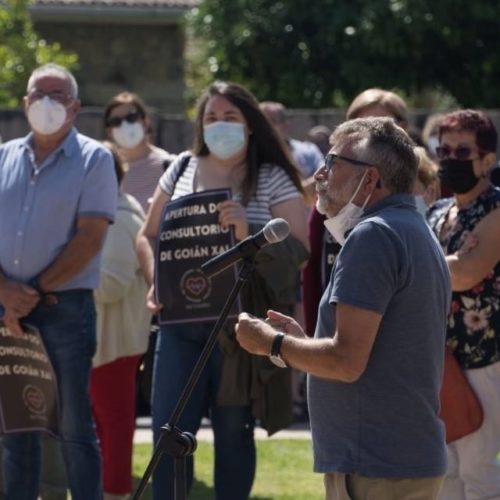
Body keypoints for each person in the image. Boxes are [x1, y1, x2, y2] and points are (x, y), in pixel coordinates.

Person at [235, 116, 452, 500]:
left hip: (374, 464)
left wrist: (271, 343)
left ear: (370, 180)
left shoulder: (374, 235)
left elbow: (347, 361)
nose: (319, 172)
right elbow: (369, 350)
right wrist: (303, 344)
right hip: (395, 460)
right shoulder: (411, 227)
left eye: (333, 163)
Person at [136, 80, 309, 500]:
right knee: (169, 432)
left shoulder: (270, 176)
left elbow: (300, 247)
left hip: (238, 329)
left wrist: (248, 232)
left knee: (233, 432)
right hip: (178, 324)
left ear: (250, 125)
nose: (220, 125)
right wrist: (154, 279)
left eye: (230, 117)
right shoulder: (179, 168)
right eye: (211, 118)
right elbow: (147, 235)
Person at [0, 63, 117, 499]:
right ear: (25, 102)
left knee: (73, 429)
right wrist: (5, 294)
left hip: (63, 311)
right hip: (6, 312)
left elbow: (89, 239)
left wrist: (27, 294)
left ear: (75, 107)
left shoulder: (95, 159)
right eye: (38, 93)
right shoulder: (3, 156)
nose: (46, 102)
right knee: (15, 430)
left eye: (57, 94)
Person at [426, 109, 500, 500]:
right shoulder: (439, 212)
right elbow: (439, 271)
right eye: (444, 151)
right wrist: (447, 263)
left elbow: (468, 274)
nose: (451, 160)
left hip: (485, 355)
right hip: (439, 357)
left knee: (479, 471)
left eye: (462, 151)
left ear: (487, 159)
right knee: (444, 472)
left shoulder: (496, 209)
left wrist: (428, 263)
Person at [303, 88, 411, 337]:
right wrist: (309, 334)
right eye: (360, 124)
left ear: (402, 127)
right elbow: (312, 267)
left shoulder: (426, 185)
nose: (371, 134)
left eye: (381, 125)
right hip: (334, 321)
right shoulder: (332, 190)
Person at [90, 142, 151, 500]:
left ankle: (115, 492)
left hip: (111, 342)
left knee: (112, 425)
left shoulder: (116, 217)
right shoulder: (113, 211)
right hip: (108, 341)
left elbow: (110, 284)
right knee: (106, 423)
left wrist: (59, 281)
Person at [104, 91, 176, 212]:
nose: (125, 125)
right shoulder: (105, 169)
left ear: (145, 122)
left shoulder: (170, 165)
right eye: (116, 121)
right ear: (109, 131)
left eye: (131, 117)